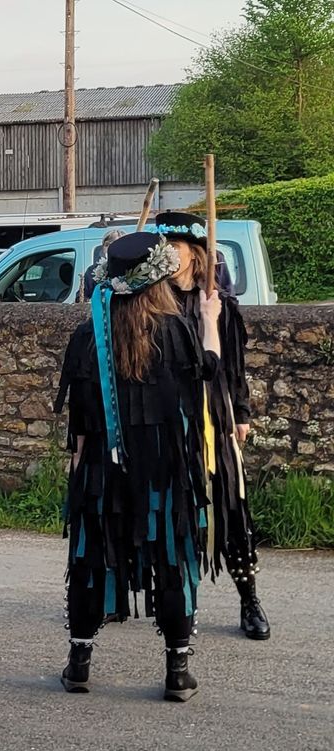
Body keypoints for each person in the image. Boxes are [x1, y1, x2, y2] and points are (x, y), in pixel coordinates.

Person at [56, 231, 222, 702]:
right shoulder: (177, 330)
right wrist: (209, 321)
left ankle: (79, 665)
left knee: (91, 560)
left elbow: (81, 421)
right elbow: (206, 376)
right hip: (164, 474)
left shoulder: (88, 335)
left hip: (101, 471)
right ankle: (177, 672)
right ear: (160, 280)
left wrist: (77, 469)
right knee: (171, 558)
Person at [154, 210, 267, 640]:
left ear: (195, 254)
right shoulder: (152, 302)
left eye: (175, 248)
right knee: (174, 515)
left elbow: (233, 368)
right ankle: (183, 605)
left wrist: (241, 414)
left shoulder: (219, 304)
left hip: (213, 421)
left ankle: (249, 599)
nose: (167, 255)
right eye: (162, 248)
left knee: (231, 511)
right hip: (169, 421)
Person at [81, 229, 125, 300]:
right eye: (107, 245)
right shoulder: (92, 270)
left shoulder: (130, 268)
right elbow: (81, 297)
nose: (110, 248)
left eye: (115, 244)